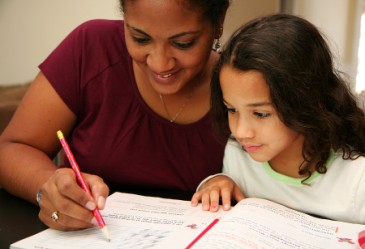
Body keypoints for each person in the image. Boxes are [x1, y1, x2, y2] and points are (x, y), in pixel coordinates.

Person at [0, 0, 230, 231]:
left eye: (183, 43)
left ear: (218, 24)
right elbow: (11, 148)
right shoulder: (91, 48)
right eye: (140, 38)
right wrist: (47, 188)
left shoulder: (245, 83)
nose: (159, 64)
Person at [191, 13, 365, 224]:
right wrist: (217, 182)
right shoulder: (238, 155)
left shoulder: (357, 178)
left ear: (306, 100)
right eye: (232, 110)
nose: (241, 132)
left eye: (261, 114)